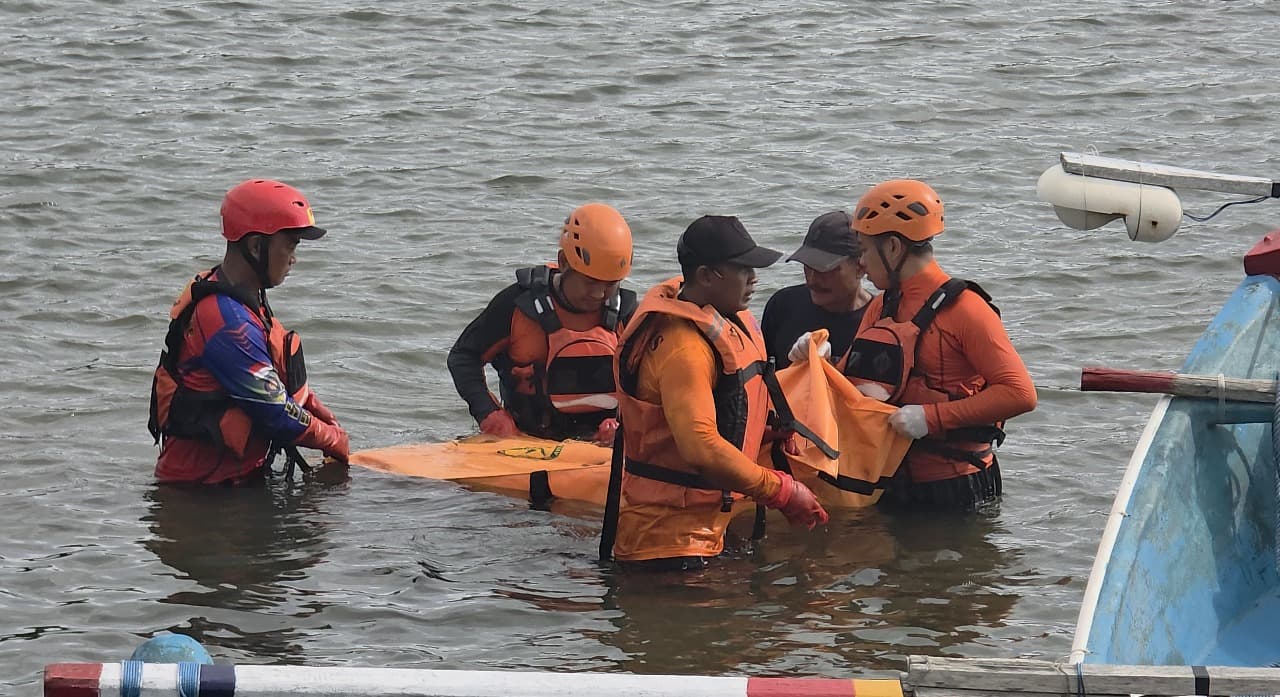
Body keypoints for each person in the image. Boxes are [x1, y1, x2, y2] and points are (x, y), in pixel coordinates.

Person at [604, 215, 829, 571]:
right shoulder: (684, 349)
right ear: (707, 276)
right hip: (665, 545)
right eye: (743, 269)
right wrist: (781, 492)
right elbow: (701, 448)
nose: (754, 278)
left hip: (703, 533)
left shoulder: (717, 318)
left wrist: (763, 434)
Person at [837, 179, 1036, 511]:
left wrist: (932, 418)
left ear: (893, 248)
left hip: (956, 487)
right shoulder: (882, 304)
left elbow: (1021, 393)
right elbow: (852, 382)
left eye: (863, 250)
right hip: (889, 481)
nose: (860, 264)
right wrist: (817, 360)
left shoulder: (967, 310)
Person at [148, 179, 350, 485]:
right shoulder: (228, 323)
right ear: (256, 246)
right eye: (291, 244)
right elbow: (276, 414)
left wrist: (315, 408)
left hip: (232, 483)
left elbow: (273, 377)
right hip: (203, 495)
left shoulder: (244, 296)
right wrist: (335, 440)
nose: (294, 258)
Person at [447, 203, 637, 444]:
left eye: (611, 284)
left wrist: (629, 424)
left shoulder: (628, 315)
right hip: (526, 439)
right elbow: (463, 357)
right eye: (590, 282)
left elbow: (651, 383)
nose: (600, 294)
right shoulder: (517, 305)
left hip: (603, 443)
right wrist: (489, 414)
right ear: (564, 262)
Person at [761, 210, 874, 368]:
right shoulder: (782, 306)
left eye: (825, 269)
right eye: (807, 266)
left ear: (860, 267)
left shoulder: (879, 321)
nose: (812, 280)